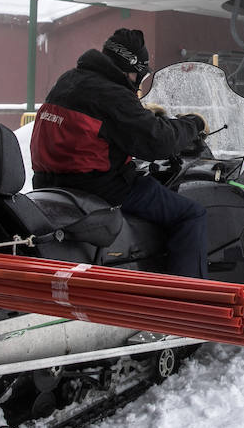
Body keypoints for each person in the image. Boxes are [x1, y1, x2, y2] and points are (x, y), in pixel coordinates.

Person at [30, 28, 208, 278]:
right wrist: (194, 124)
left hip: (50, 184)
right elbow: (159, 141)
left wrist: (143, 114)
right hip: (102, 188)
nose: (138, 83)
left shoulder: (70, 80)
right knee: (191, 214)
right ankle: (191, 300)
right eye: (140, 76)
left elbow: (101, 125)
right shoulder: (112, 94)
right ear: (132, 69)